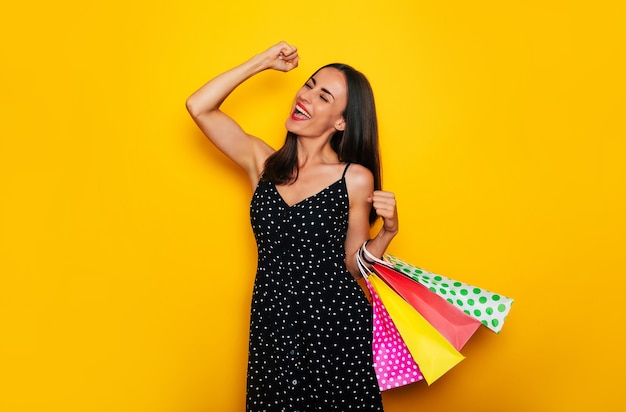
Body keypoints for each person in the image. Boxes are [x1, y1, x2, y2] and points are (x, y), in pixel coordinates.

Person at [186, 41, 398, 411]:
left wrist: (388, 232)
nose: (305, 96)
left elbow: (355, 266)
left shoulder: (354, 178)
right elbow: (198, 106)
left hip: (336, 330)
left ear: (341, 121)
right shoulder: (263, 163)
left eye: (323, 96)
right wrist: (262, 62)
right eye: (309, 85)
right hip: (273, 327)